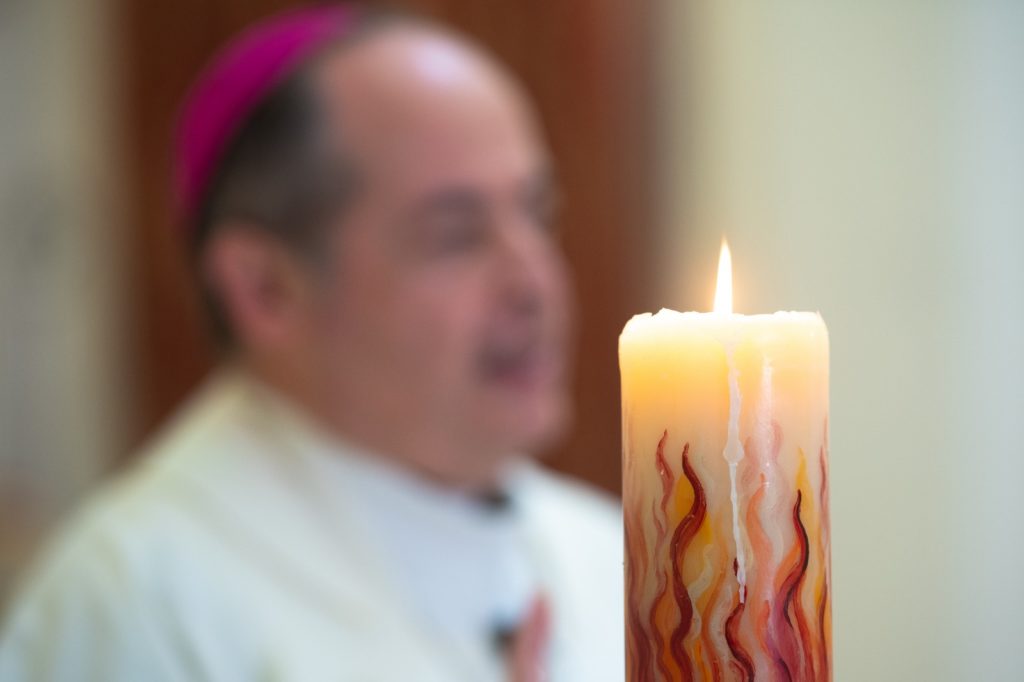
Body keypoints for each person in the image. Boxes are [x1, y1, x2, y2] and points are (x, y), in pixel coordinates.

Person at [0, 4, 623, 681]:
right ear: (265, 288)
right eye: (455, 234)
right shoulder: (137, 608)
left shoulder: (612, 554)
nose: (535, 282)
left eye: (537, 213)